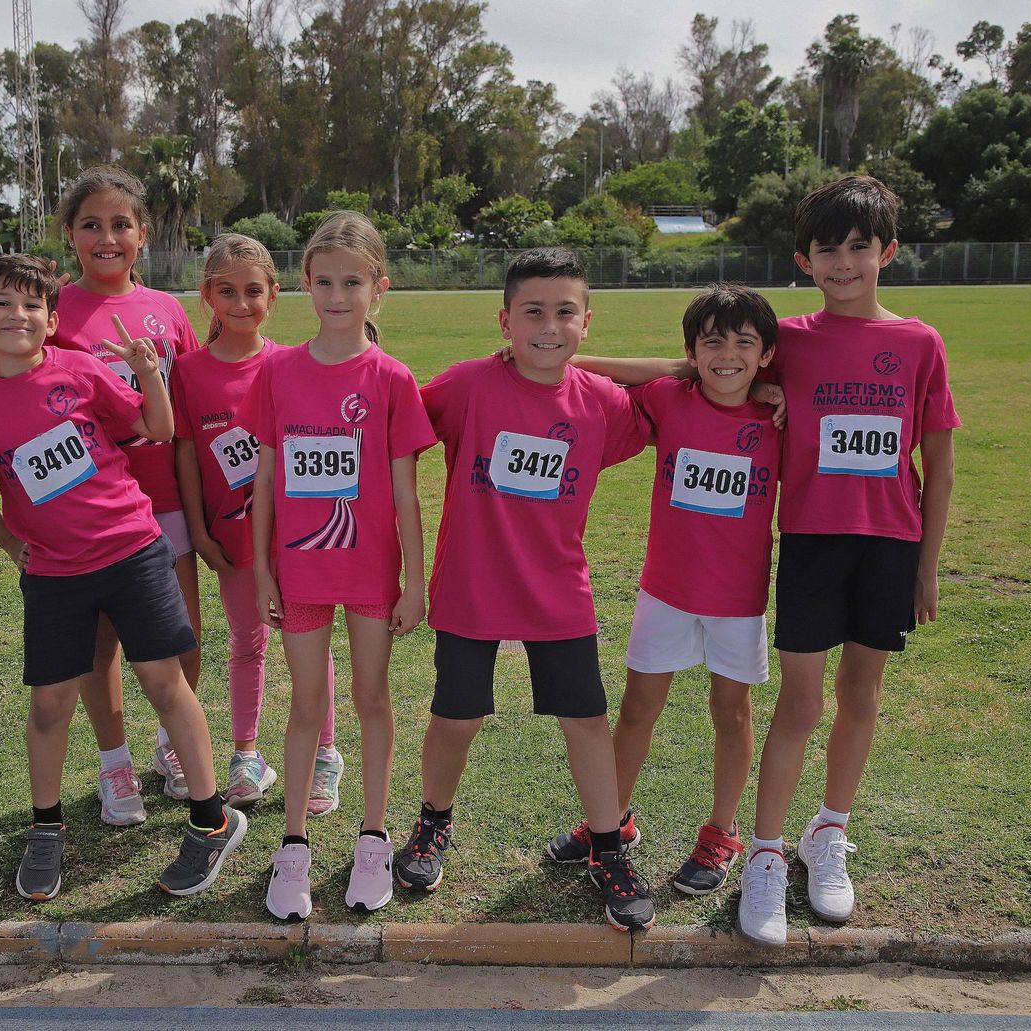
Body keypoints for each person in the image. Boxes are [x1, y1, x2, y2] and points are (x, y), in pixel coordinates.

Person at [0, 254, 245, 902]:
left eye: (32, 306)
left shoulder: (79, 371)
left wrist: (146, 375)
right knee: (51, 703)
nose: (17, 316)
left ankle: (211, 817)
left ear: (52, 320)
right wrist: (5, 538)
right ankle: (46, 829)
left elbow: (157, 427)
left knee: (165, 682)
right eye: (1, 303)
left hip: (132, 549)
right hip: (53, 572)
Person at [394, 247, 659, 931]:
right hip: (470, 584)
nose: (549, 325)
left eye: (565, 312)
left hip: (556, 588)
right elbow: (398, 423)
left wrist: (679, 367)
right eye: (533, 312)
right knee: (457, 717)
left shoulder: (601, 402)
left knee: (586, 720)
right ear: (504, 320)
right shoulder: (468, 386)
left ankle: (607, 845)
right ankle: (432, 824)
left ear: (588, 320)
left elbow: (684, 395)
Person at [734, 175, 959, 945]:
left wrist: (927, 565)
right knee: (798, 703)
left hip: (889, 546)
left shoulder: (919, 342)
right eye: (827, 249)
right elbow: (702, 369)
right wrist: (569, 354)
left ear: (886, 252)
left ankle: (827, 831)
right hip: (810, 542)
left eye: (859, 248)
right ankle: (763, 853)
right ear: (804, 259)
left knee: (861, 693)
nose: (843, 263)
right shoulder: (788, 340)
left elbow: (938, 458)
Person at [546, 284, 783, 904]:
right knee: (637, 710)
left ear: (767, 354)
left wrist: (764, 385)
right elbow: (599, 373)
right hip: (667, 591)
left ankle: (720, 833)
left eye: (743, 344)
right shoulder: (671, 401)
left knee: (730, 714)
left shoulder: (778, 415)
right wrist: (683, 369)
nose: (726, 355)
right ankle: (612, 820)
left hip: (738, 601)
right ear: (689, 352)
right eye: (711, 344)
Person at [240, 212, 435, 920]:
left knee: (372, 697)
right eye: (324, 281)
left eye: (352, 281)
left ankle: (374, 836)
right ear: (305, 285)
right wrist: (262, 569)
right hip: (300, 571)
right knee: (306, 705)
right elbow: (264, 478)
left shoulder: (391, 377)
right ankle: (293, 844)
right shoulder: (279, 370)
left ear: (378, 288)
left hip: (371, 572)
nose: (337, 295)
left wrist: (416, 579)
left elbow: (407, 492)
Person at [48, 166, 203, 825]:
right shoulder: (52, 311)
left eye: (120, 225)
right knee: (100, 643)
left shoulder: (167, 310)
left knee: (182, 633)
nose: (107, 238)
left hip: (166, 497)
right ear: (70, 235)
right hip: (93, 510)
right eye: (91, 225)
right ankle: (115, 766)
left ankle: (175, 744)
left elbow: (193, 406)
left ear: (143, 233)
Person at [170, 234, 345, 813]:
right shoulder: (191, 372)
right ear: (207, 297)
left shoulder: (291, 362)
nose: (241, 304)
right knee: (247, 642)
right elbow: (189, 454)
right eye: (227, 292)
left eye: (253, 291)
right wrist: (197, 532)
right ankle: (246, 755)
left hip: (296, 541)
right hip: (232, 540)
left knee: (308, 646)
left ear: (274, 294)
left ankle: (324, 754)